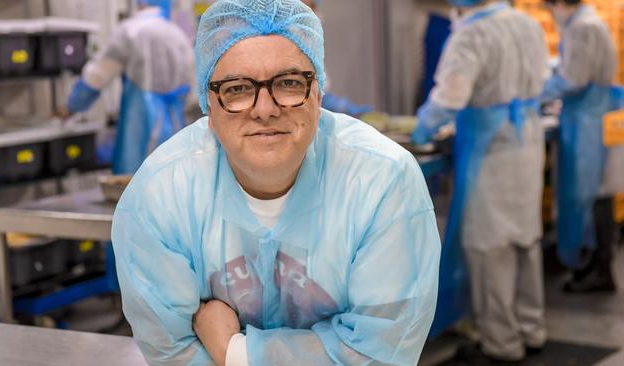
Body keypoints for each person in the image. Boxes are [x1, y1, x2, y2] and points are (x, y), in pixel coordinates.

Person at [111, 0, 441, 365]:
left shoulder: (382, 182)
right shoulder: (160, 194)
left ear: (318, 93)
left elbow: (379, 353)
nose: (265, 109)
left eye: (288, 83)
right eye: (237, 88)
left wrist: (233, 352)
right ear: (208, 101)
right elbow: (172, 351)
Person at [412, 0, 549, 363]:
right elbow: (544, 81)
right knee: (525, 238)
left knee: (489, 246)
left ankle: (501, 343)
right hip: (527, 142)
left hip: (490, 149)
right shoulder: (525, 23)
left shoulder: (470, 35)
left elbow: (449, 98)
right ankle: (531, 328)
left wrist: (421, 127)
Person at [541, 0, 621, 293]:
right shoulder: (586, 23)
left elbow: (573, 79)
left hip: (589, 119)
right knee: (596, 194)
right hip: (591, 116)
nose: (551, 14)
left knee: (592, 195)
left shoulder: (583, 28)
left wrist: (532, 93)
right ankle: (595, 265)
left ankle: (599, 268)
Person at [64, 0, 193, 174]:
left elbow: (98, 76)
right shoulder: (177, 34)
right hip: (176, 125)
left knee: (135, 183)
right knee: (173, 181)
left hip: (141, 123)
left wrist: (73, 106)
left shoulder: (130, 31)